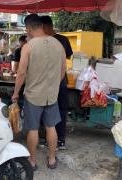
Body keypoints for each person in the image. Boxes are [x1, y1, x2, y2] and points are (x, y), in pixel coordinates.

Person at [12, 14, 66, 170]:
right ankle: (51, 159)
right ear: (41, 26)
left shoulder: (28, 46)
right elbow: (63, 70)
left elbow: (21, 72)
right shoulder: (58, 44)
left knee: (33, 129)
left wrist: (16, 92)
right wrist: (54, 85)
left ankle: (32, 161)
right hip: (52, 95)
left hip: (33, 95)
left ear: (28, 28)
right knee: (51, 127)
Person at [40, 15, 73, 150]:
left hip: (49, 80)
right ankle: (60, 140)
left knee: (49, 110)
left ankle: (51, 139)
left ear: (45, 26)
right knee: (61, 109)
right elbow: (69, 56)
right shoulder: (64, 39)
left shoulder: (43, 41)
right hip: (61, 79)